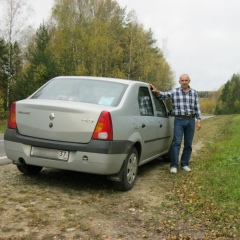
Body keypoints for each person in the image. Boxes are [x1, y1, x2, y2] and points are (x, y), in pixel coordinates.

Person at [149, 74, 201, 174]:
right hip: (179, 120)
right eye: (182, 80)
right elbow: (163, 95)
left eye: (186, 80)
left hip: (191, 120)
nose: (184, 82)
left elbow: (197, 107)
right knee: (176, 143)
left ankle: (185, 164)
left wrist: (198, 120)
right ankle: (174, 165)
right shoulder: (175, 91)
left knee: (188, 144)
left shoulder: (194, 93)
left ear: (189, 81)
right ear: (179, 81)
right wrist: (156, 91)